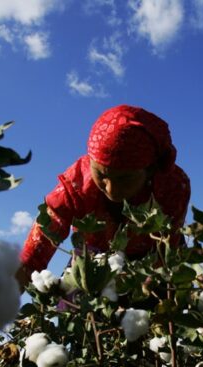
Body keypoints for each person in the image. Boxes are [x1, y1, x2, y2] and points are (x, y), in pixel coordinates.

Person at [17, 104, 191, 288]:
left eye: (124, 178)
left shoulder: (173, 187)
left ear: (150, 170)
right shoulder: (76, 184)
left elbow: (168, 252)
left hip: (151, 266)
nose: (111, 189)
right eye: (101, 175)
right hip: (91, 263)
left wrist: (138, 288)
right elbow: (31, 260)